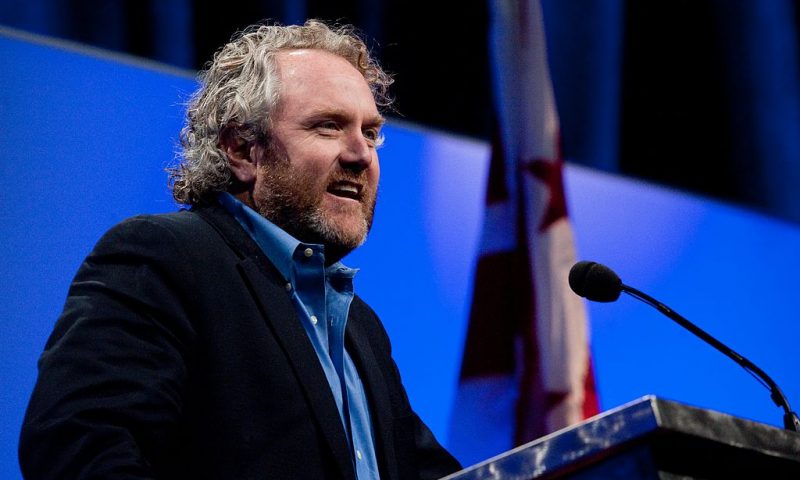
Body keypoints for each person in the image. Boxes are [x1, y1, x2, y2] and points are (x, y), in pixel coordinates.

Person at [19, 20, 462, 480]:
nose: (361, 154)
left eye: (370, 133)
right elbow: (78, 448)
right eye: (328, 126)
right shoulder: (164, 259)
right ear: (243, 149)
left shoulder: (360, 327)